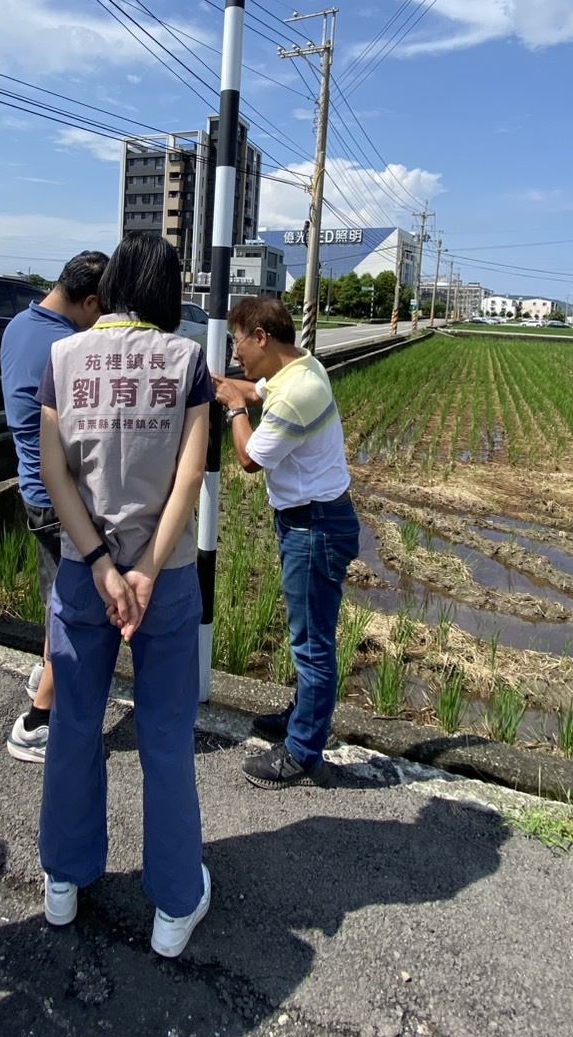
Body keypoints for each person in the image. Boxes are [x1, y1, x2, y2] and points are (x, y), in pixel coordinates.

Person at [36, 231, 214, 958]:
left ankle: (63, 882)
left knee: (75, 724)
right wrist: (144, 567)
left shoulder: (62, 357)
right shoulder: (189, 361)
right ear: (167, 288)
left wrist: (105, 565)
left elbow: (56, 474)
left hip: (85, 573)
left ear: (111, 285)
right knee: (166, 738)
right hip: (164, 579)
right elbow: (189, 479)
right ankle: (174, 903)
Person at [214, 296, 360, 790]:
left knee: (311, 642)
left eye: (239, 342)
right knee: (309, 633)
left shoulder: (296, 394)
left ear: (261, 337)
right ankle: (304, 717)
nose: (236, 355)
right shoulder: (300, 368)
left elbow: (251, 459)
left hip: (313, 527)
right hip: (316, 519)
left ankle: (302, 752)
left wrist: (234, 407)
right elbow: (261, 390)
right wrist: (235, 388)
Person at [0, 249, 109, 762]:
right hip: (61, 498)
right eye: (101, 310)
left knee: (56, 599)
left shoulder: (17, 325)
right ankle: (36, 723)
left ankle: (44, 677)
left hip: (31, 485)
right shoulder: (70, 349)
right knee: (72, 613)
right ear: (88, 301)